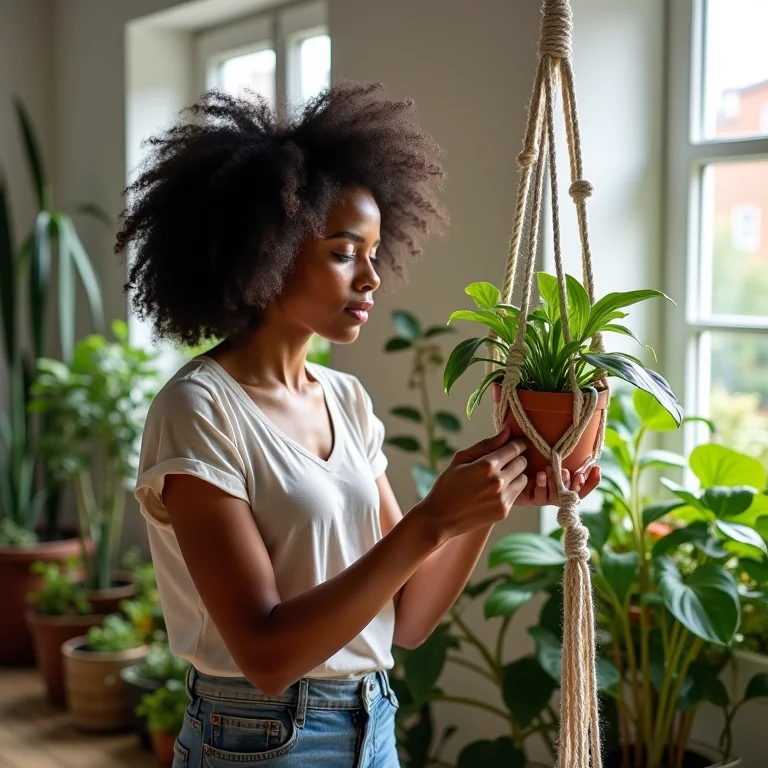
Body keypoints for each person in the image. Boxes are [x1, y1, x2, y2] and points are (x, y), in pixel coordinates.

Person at [118, 82, 600, 768]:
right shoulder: (198, 410)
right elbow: (265, 654)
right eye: (344, 251)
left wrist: (492, 495)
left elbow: (408, 619)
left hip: (371, 725)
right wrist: (431, 520)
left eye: (375, 252)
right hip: (256, 739)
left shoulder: (345, 399)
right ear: (270, 248)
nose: (371, 277)